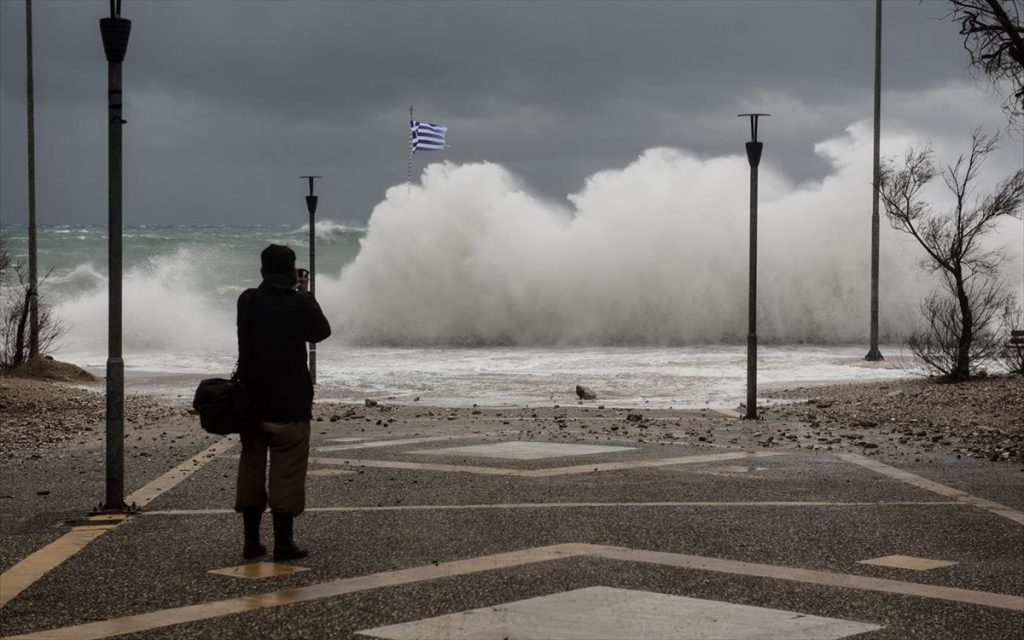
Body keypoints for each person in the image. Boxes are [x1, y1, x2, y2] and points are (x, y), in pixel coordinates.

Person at [235, 244, 331, 561]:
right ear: (292, 272)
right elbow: (320, 332)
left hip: (251, 400)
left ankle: (251, 541)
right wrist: (304, 292)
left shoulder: (247, 301)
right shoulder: (300, 302)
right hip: (290, 402)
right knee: (286, 471)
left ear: (262, 271)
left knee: (251, 466)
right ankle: (283, 543)